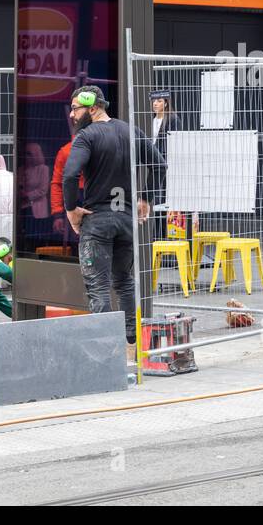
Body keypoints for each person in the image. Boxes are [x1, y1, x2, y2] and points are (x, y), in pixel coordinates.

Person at [61, 86, 163, 359]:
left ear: (92, 108)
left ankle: (106, 353)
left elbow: (69, 176)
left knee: (98, 287)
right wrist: (146, 199)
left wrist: (71, 210)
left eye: (76, 109)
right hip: (126, 220)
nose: (72, 115)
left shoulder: (87, 136)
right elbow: (160, 165)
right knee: (124, 281)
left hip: (98, 221)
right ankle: (132, 346)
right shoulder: (130, 130)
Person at [19, 141, 52, 245]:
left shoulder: (43, 169)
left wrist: (27, 195)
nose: (26, 156)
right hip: (24, 208)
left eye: (29, 154)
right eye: (25, 153)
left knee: (39, 236)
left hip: (38, 208)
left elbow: (43, 189)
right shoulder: (21, 169)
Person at [149, 90, 182, 157]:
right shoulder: (153, 120)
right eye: (154, 101)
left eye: (159, 101)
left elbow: (176, 142)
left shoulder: (173, 120)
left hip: (167, 157)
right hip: (154, 157)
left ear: (165, 104)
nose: (155, 103)